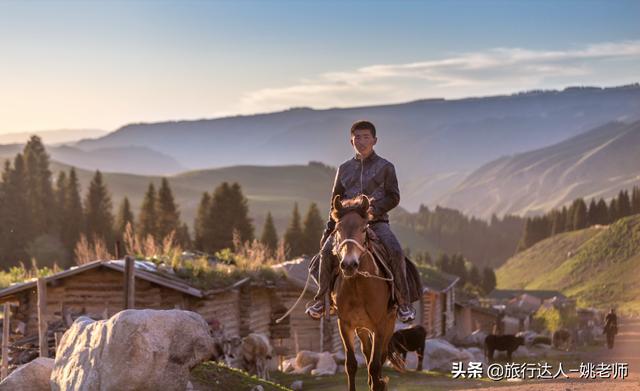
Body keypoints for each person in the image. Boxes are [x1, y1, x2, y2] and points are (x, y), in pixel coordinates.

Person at [305, 120, 416, 323]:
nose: (361, 141)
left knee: (395, 251)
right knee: (324, 253)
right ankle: (321, 301)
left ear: (375, 140)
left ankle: (403, 302)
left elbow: (394, 196)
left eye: (366, 137)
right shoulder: (344, 169)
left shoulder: (386, 167)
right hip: (346, 225)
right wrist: (330, 228)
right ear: (351, 141)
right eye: (357, 137)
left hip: (377, 222)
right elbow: (335, 202)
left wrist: (374, 209)